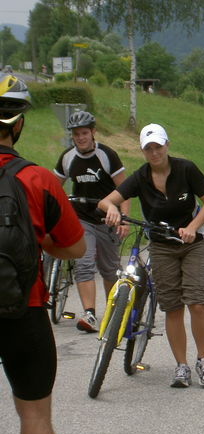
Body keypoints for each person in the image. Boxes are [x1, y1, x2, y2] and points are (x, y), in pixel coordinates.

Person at [98, 123, 204, 388]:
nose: (154, 153)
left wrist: (192, 227)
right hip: (162, 246)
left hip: (194, 243)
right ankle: (181, 366)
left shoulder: (186, 169)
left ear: (167, 146)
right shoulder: (141, 176)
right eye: (148, 149)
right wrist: (113, 210)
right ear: (143, 151)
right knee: (172, 307)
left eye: (158, 147)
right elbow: (105, 201)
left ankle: (203, 359)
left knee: (197, 302)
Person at [0, 73, 86, 434]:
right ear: (18, 124)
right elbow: (77, 248)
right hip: (24, 309)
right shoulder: (37, 179)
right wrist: (45, 242)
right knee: (34, 415)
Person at [53, 110, 130, 332]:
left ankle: (113, 314)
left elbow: (124, 190)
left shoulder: (107, 156)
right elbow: (54, 186)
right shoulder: (68, 157)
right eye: (76, 134)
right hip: (82, 219)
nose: (80, 137)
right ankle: (90, 315)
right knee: (84, 265)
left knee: (109, 269)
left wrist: (123, 219)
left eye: (84, 133)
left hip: (107, 219)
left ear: (93, 132)